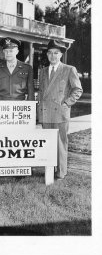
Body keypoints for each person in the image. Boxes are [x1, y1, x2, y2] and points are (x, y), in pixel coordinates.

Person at [37, 40, 83, 179]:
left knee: (60, 142)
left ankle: (61, 172)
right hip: (46, 113)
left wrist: (67, 103)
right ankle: (49, 169)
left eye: (56, 53)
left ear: (61, 54)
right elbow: (41, 93)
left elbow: (77, 89)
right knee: (48, 143)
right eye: (50, 53)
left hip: (60, 112)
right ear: (47, 54)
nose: (53, 56)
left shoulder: (69, 69)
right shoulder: (43, 71)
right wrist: (39, 112)